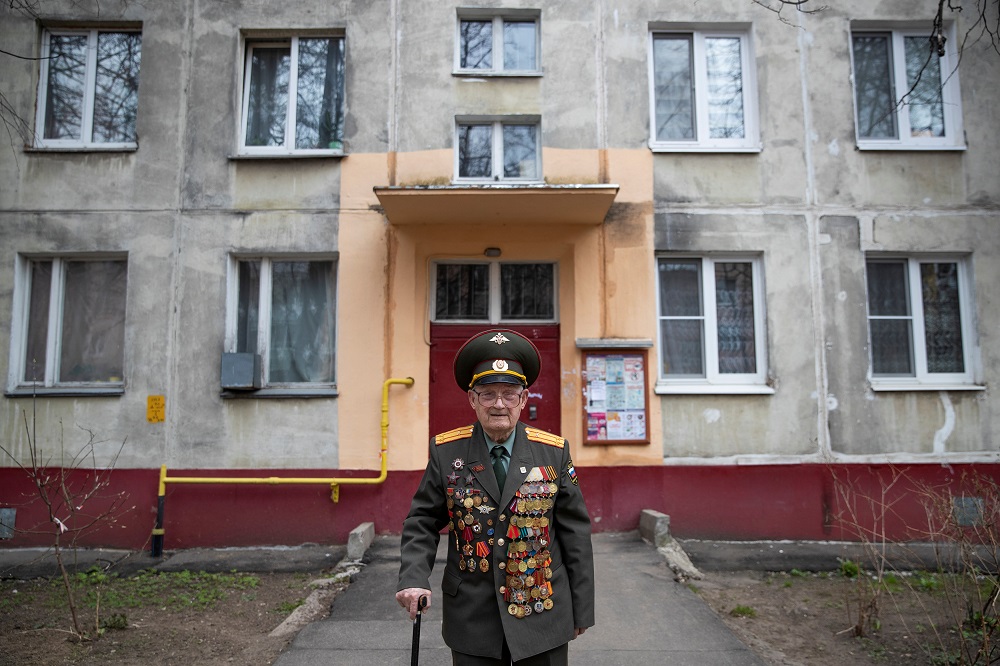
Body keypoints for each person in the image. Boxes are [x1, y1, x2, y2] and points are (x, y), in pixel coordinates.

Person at [397, 329, 595, 665]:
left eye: (509, 393)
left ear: (524, 398)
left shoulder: (553, 452)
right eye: (488, 394)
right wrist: (414, 579)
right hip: (473, 619)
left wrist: (581, 610)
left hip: (541, 611)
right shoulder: (447, 452)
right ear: (472, 399)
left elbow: (575, 532)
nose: (499, 404)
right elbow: (423, 520)